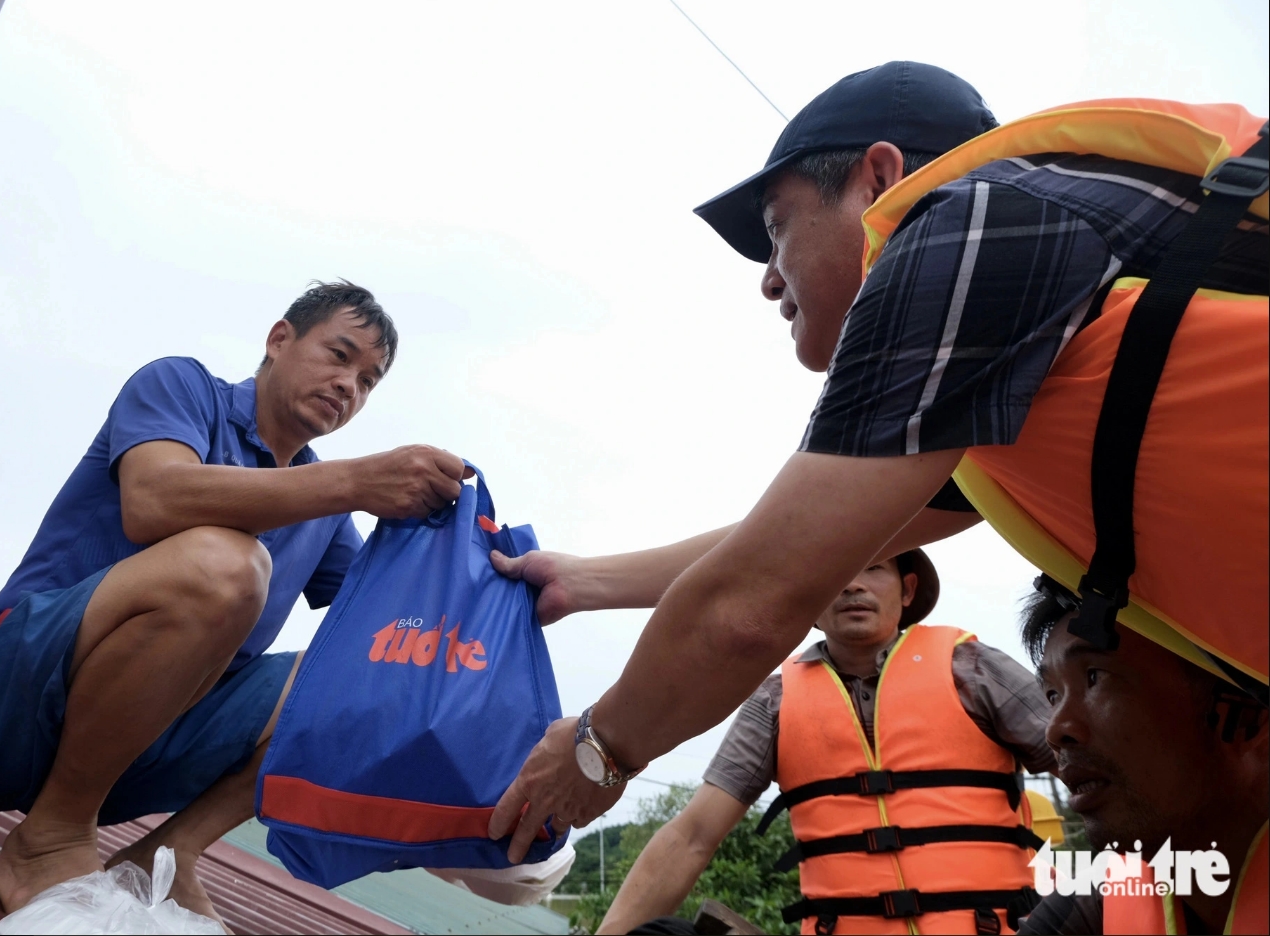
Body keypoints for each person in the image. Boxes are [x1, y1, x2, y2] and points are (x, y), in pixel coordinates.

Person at [484, 59, 1266, 934]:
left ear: (882, 179)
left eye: (777, 230)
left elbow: (753, 600)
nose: (769, 280)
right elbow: (790, 545)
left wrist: (598, 750)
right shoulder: (1034, 368)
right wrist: (584, 583)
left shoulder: (970, 223)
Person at [0, 280, 471, 923]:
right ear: (279, 339)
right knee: (226, 567)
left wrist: (498, 587)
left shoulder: (323, 516)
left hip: (127, 758)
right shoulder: (180, 387)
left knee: (363, 674)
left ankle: (167, 856)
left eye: (369, 380)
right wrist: (354, 481)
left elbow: (392, 633)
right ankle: (51, 837)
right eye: (339, 355)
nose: (350, 385)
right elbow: (154, 499)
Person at [600, 551, 1055, 935]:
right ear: (811, 604)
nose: (853, 585)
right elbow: (693, 835)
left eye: (874, 567)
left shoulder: (972, 669)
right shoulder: (775, 702)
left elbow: (1096, 763)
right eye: (836, 573)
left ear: (908, 590)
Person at [1014, 578, 1267, 935]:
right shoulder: (1088, 910)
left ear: (1248, 715)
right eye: (1053, 695)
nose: (1055, 730)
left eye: (1094, 677)